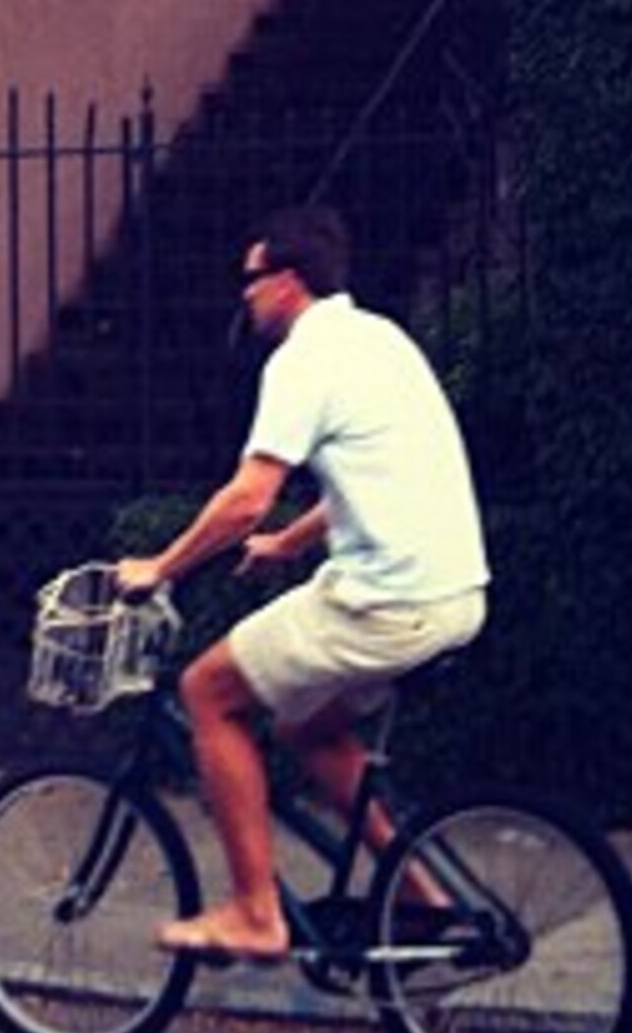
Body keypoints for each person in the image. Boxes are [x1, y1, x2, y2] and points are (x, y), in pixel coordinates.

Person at [112, 203, 489, 962]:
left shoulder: (302, 361)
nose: (243, 294)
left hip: (388, 600)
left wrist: (159, 567)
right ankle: (422, 896)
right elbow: (371, 472)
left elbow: (246, 493)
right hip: (454, 592)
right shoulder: (379, 339)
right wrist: (289, 541)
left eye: (250, 280)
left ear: (287, 281)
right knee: (305, 728)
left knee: (207, 694)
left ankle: (256, 914)